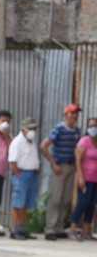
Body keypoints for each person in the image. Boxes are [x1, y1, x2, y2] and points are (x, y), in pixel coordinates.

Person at [40, 103, 82, 240]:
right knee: (55, 199)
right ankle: (50, 229)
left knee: (65, 200)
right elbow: (43, 146)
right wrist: (53, 164)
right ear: (66, 114)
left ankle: (59, 228)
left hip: (71, 167)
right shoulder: (58, 128)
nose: (74, 116)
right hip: (60, 167)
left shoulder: (76, 130)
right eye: (72, 113)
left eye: (76, 113)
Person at [8, 116, 41, 239]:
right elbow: (12, 161)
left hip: (32, 174)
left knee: (25, 203)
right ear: (23, 129)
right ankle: (14, 229)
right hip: (21, 174)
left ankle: (22, 229)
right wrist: (18, 175)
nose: (33, 131)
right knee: (17, 203)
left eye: (34, 128)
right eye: (30, 128)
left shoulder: (31, 141)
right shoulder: (17, 142)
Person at [68, 117, 97, 240]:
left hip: (95, 179)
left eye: (95, 126)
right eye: (90, 126)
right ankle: (72, 230)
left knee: (91, 204)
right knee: (82, 203)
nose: (93, 128)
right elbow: (78, 161)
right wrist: (80, 178)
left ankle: (86, 231)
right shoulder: (84, 141)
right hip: (85, 178)